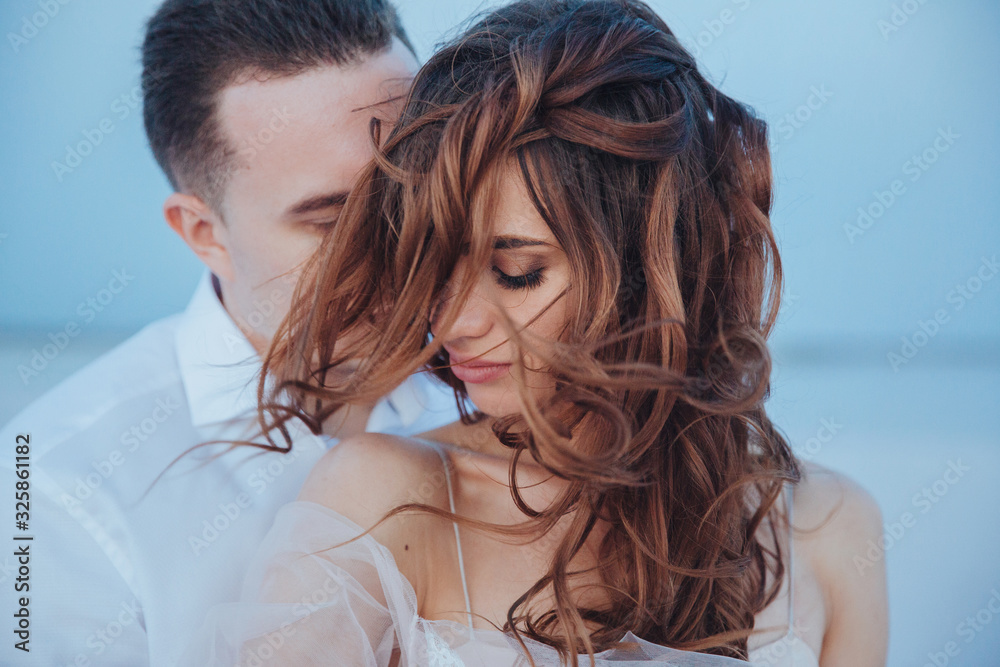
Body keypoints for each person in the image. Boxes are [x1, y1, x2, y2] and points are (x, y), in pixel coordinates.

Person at [181, 0, 889, 665]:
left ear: (656, 267)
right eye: (435, 265)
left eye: (517, 272)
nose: (451, 322)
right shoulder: (384, 498)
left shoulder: (831, 526)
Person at [0, 1, 458, 665]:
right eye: (332, 221)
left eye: (416, 191)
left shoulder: (497, 391)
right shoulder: (56, 495)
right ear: (203, 234)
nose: (402, 248)